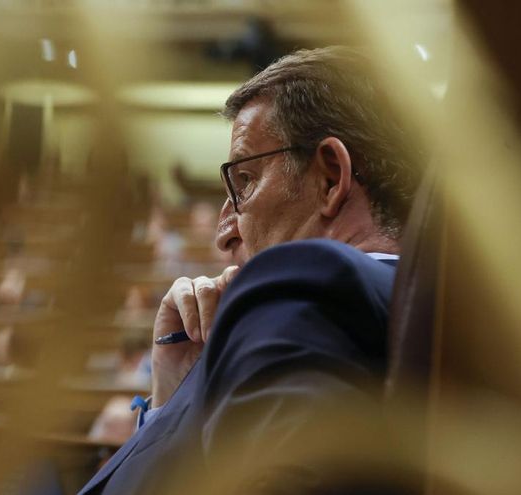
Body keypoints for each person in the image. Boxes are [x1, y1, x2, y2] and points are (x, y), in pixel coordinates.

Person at [78, 46, 422, 495]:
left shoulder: (310, 286)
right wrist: (173, 391)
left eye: (245, 181)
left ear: (330, 178)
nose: (224, 234)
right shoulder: (402, 306)